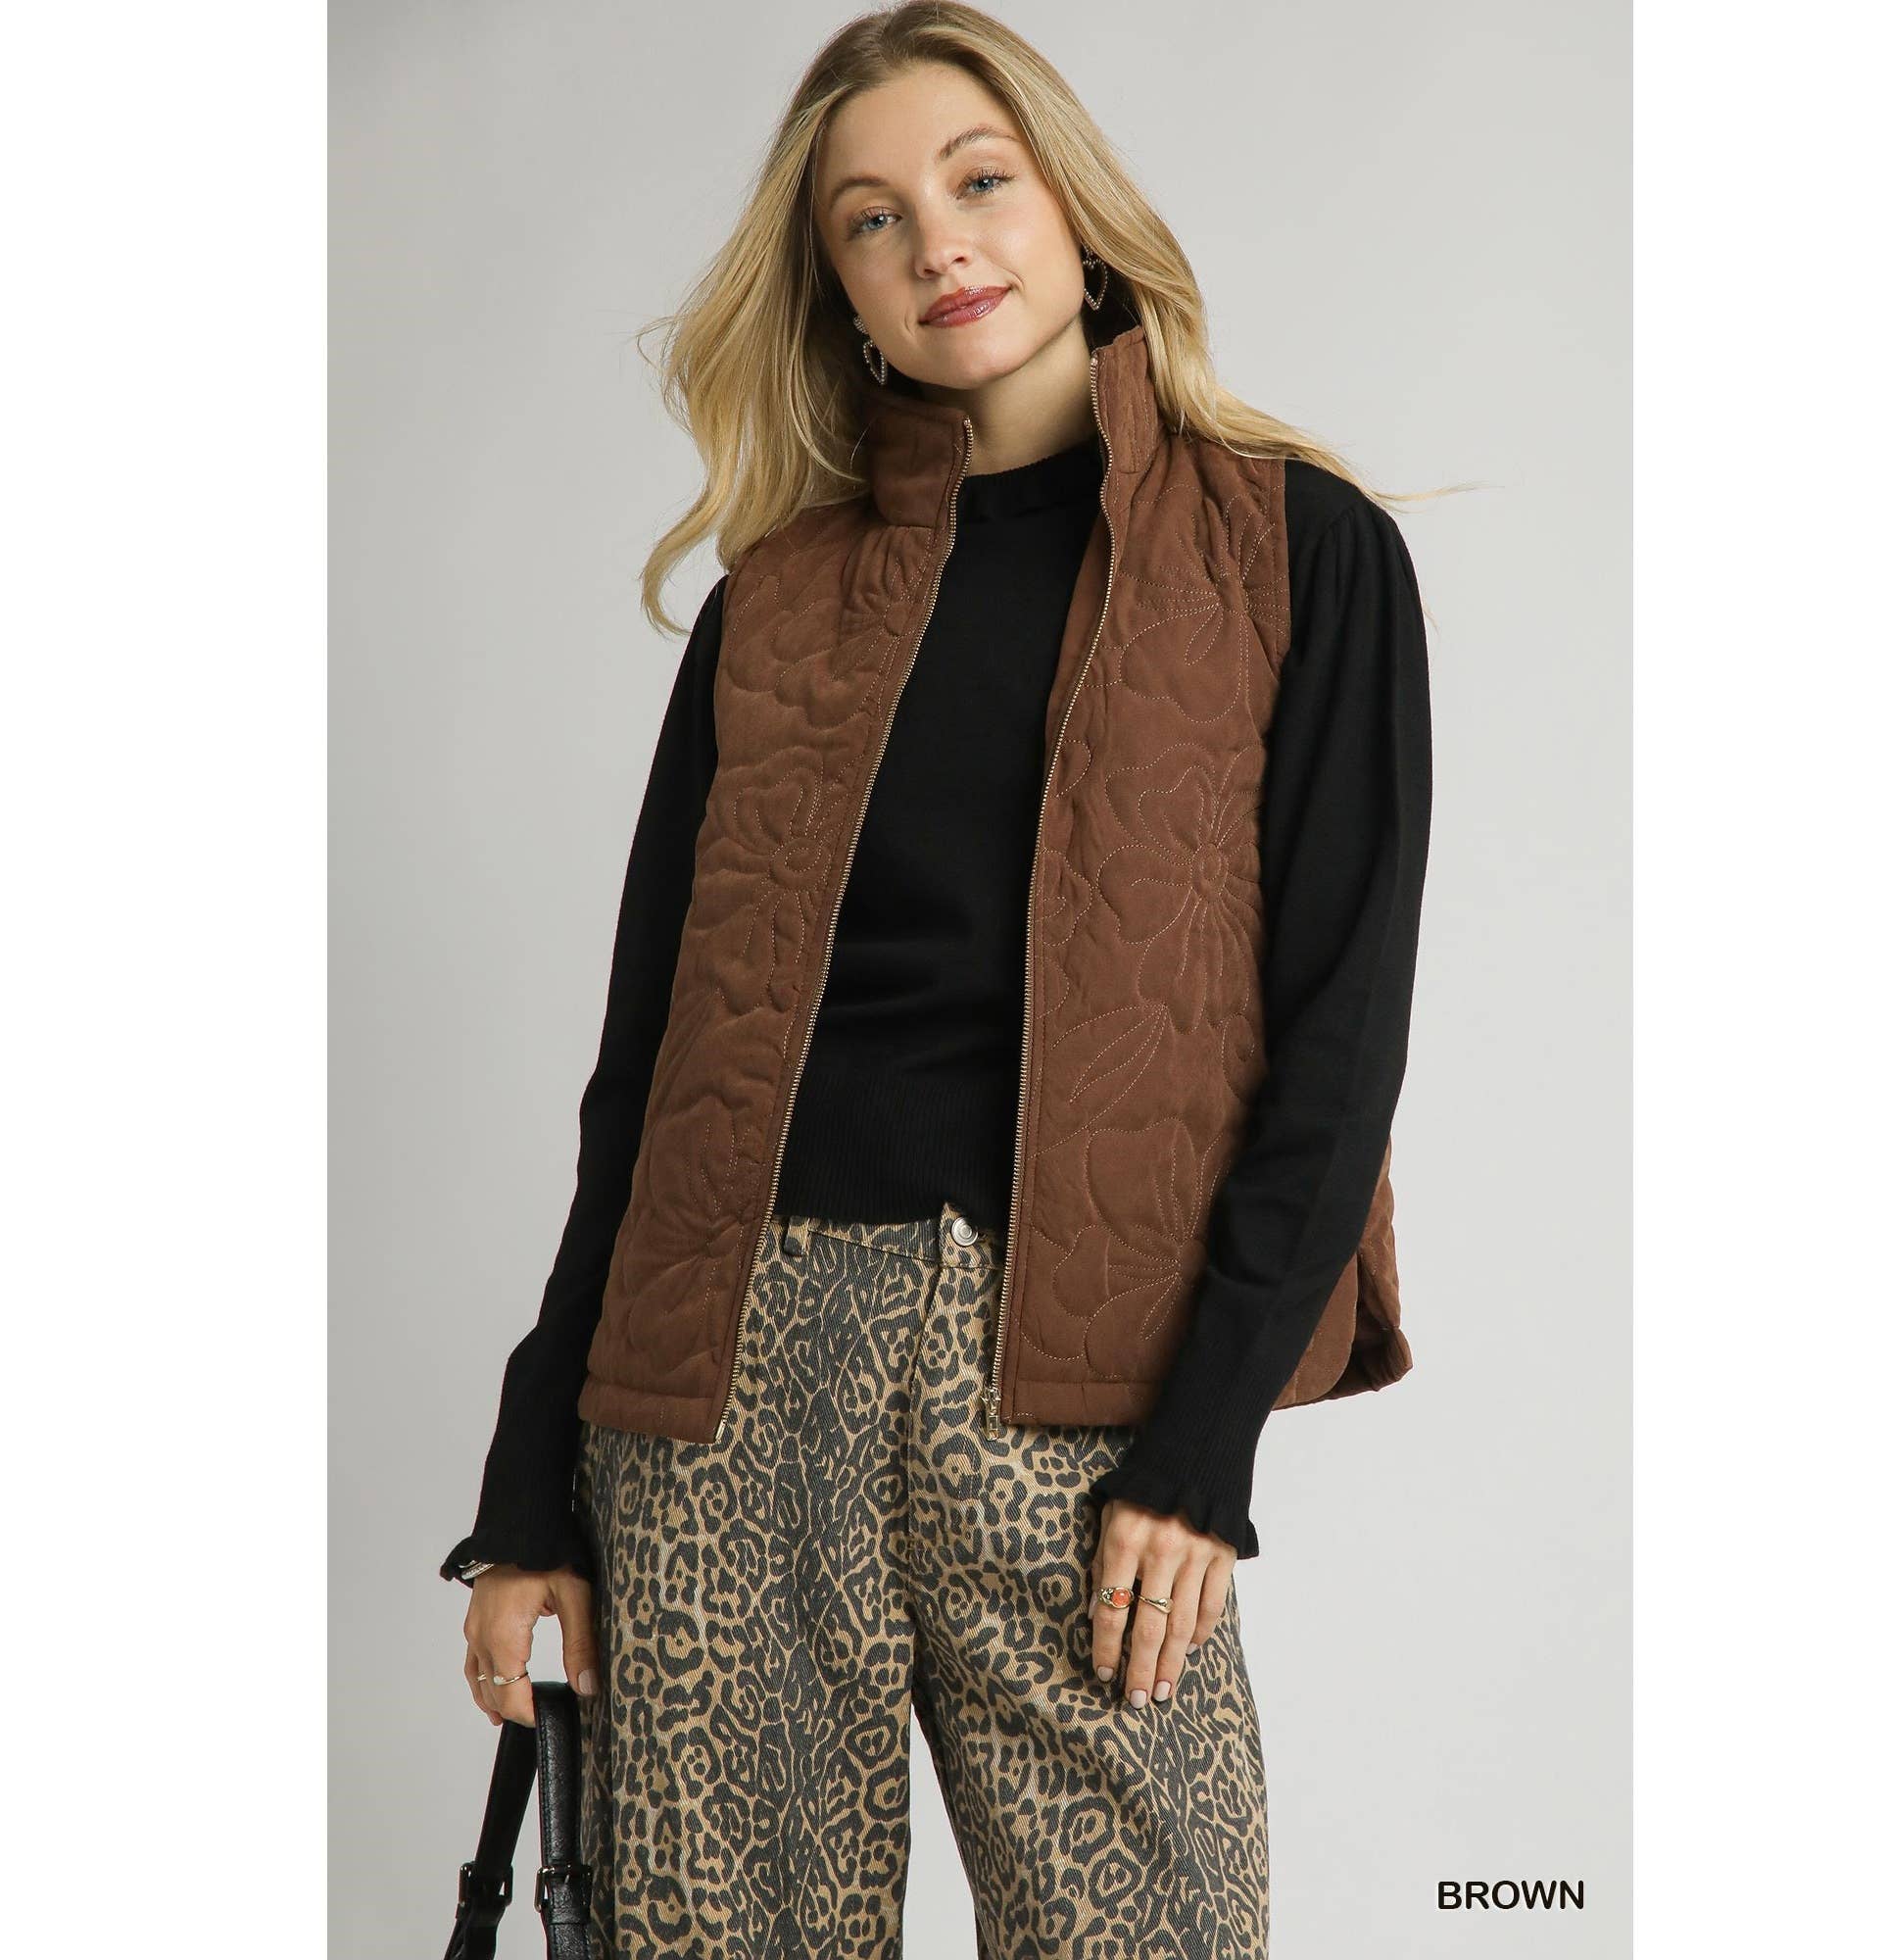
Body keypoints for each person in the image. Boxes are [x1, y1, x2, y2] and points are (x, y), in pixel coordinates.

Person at [440, 6, 1434, 1954]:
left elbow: (1339, 1043)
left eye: (979, 180)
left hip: (1083, 1393)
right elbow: (650, 1069)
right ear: (839, 287)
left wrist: (1201, 1451)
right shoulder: (774, 605)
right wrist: (529, 1480)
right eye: (871, 218)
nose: (938, 243)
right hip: (727, 1388)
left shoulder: (1293, 551)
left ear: (1073, 204)